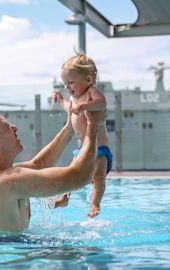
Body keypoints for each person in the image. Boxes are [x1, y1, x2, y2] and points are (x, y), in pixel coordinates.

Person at [0, 105, 103, 232]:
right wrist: (93, 126)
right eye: (7, 126)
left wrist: (69, 128)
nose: (14, 127)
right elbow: (81, 176)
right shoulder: (6, 181)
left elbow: (38, 164)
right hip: (6, 258)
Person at [53, 53, 112, 218]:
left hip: (99, 148)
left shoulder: (91, 92)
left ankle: (95, 203)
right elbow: (69, 108)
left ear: (88, 80)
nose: (67, 87)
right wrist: (60, 101)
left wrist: (86, 105)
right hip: (82, 149)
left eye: (71, 82)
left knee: (98, 176)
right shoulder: (73, 98)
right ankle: (64, 198)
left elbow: (102, 102)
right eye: (65, 83)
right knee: (71, 174)